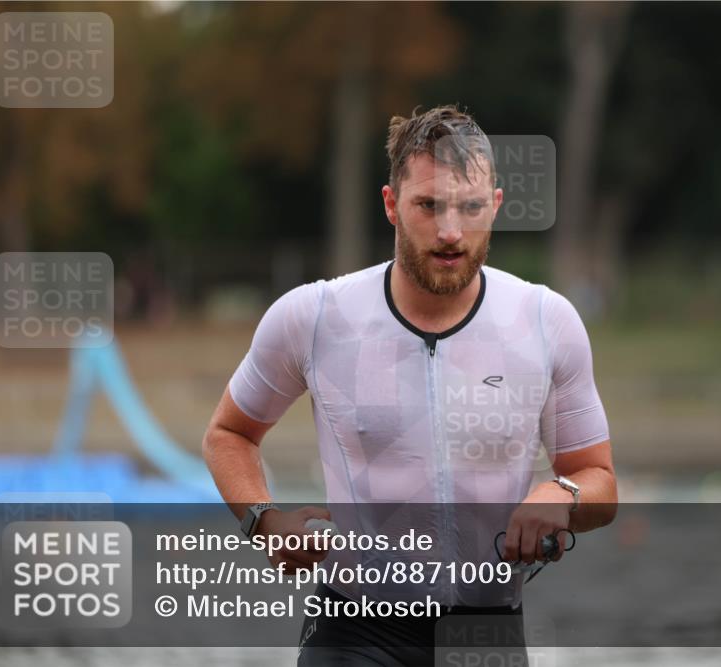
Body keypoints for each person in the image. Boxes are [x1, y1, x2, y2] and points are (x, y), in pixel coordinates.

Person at [203, 105, 617, 665]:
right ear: (392, 205)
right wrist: (265, 520)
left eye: (469, 208)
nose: (451, 232)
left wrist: (561, 495)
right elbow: (229, 433)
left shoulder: (546, 321)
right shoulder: (315, 316)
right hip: (354, 634)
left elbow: (600, 484)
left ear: (494, 206)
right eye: (429, 206)